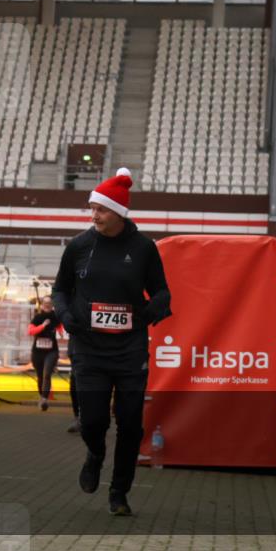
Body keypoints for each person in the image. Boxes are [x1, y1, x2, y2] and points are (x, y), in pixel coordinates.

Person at [51, 167, 172, 517]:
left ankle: (119, 492)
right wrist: (64, 313)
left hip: (130, 348)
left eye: (100, 209)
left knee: (131, 423)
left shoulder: (144, 248)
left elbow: (161, 290)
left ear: (119, 212)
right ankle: (95, 453)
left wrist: (154, 310)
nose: (94, 215)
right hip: (88, 348)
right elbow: (60, 289)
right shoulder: (78, 247)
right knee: (92, 420)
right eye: (92, 208)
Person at [28, 295, 61, 411]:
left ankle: (44, 399)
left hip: (51, 351)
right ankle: (42, 397)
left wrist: (61, 331)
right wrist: (43, 326)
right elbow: (31, 331)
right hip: (37, 352)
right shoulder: (37, 318)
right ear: (42, 305)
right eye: (45, 303)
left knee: (46, 374)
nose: (47, 305)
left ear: (52, 306)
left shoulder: (56, 317)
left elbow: (62, 328)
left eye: (49, 303)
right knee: (40, 376)